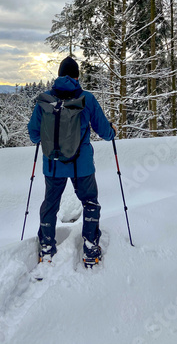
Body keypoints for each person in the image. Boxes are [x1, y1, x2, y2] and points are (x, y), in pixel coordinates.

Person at [28, 56, 116, 265]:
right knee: (90, 202)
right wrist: (112, 132)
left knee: (50, 205)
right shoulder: (87, 99)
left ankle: (47, 249)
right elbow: (103, 131)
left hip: (53, 164)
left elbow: (33, 135)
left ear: (59, 75)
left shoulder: (45, 100)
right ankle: (90, 247)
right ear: (77, 76)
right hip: (82, 164)